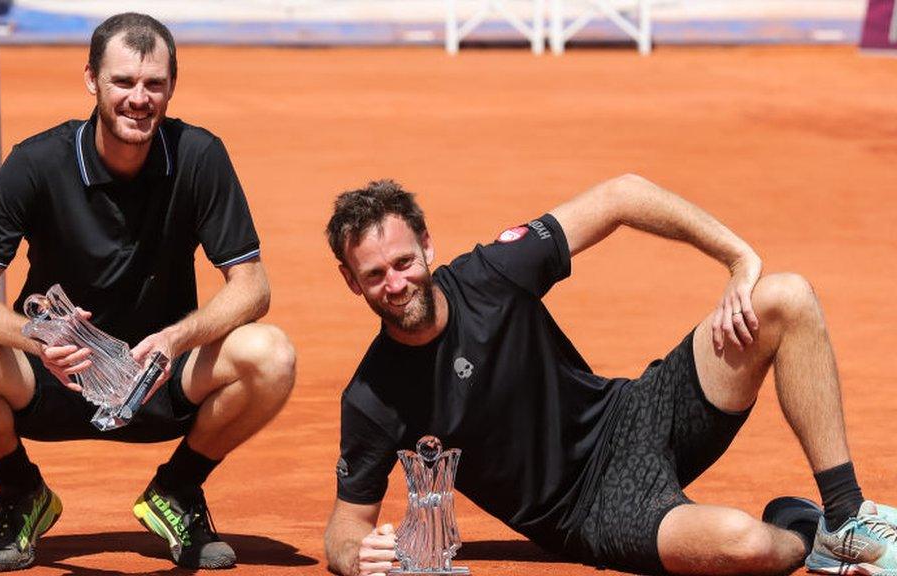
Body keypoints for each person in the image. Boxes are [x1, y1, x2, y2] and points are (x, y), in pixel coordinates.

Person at [322, 177, 897, 576]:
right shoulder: (374, 397)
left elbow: (623, 196)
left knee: (785, 296)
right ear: (352, 282)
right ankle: (805, 531)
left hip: (635, 416)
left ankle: (845, 515)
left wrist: (739, 260)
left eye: (402, 263)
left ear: (426, 246)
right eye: (374, 275)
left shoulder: (492, 274)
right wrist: (354, 556)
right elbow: (346, 527)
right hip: (591, 511)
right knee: (743, 545)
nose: (395, 285)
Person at [0, 13, 295, 572]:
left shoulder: (199, 156)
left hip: (160, 378)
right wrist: (36, 340)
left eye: (154, 84)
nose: (139, 99)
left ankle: (178, 490)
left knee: (272, 355)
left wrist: (176, 337)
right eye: (123, 82)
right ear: (92, 80)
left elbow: (253, 286)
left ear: (172, 84)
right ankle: (23, 493)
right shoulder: (37, 162)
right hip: (54, 375)